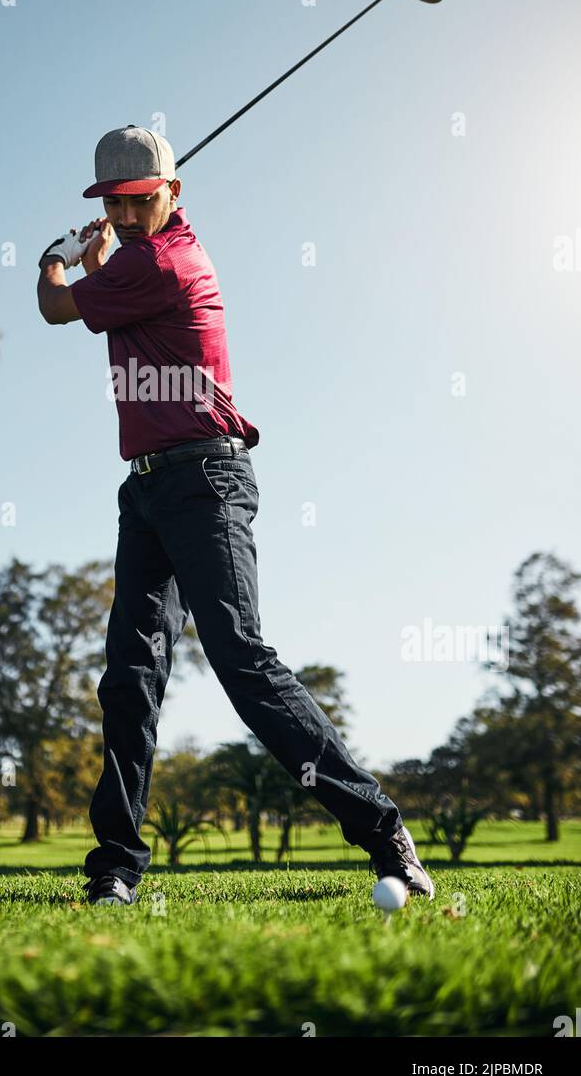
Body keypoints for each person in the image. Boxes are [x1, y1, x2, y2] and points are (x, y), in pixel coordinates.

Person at [37, 125, 434, 906]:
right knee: (129, 676)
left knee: (243, 663)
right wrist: (96, 258)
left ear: (171, 194)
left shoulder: (166, 260)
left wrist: (53, 257)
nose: (122, 213)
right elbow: (106, 295)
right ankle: (115, 865)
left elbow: (56, 306)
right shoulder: (131, 259)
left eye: (137, 200)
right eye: (111, 203)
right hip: (147, 490)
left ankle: (383, 830)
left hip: (206, 483)